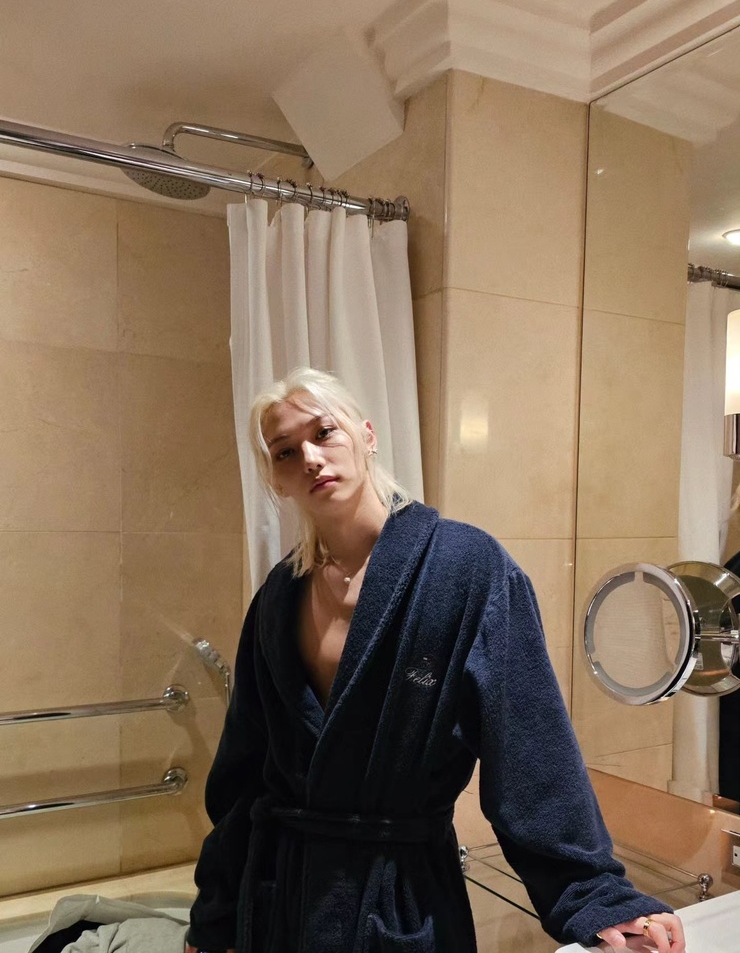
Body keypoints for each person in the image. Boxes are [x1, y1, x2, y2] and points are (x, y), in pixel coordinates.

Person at [185, 368, 685, 953]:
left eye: (324, 432)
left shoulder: (465, 569)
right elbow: (243, 775)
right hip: (284, 901)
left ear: (367, 435)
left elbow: (529, 746)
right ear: (275, 477)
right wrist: (215, 916)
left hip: (403, 902)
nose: (311, 459)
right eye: (286, 451)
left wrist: (594, 895)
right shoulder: (277, 597)